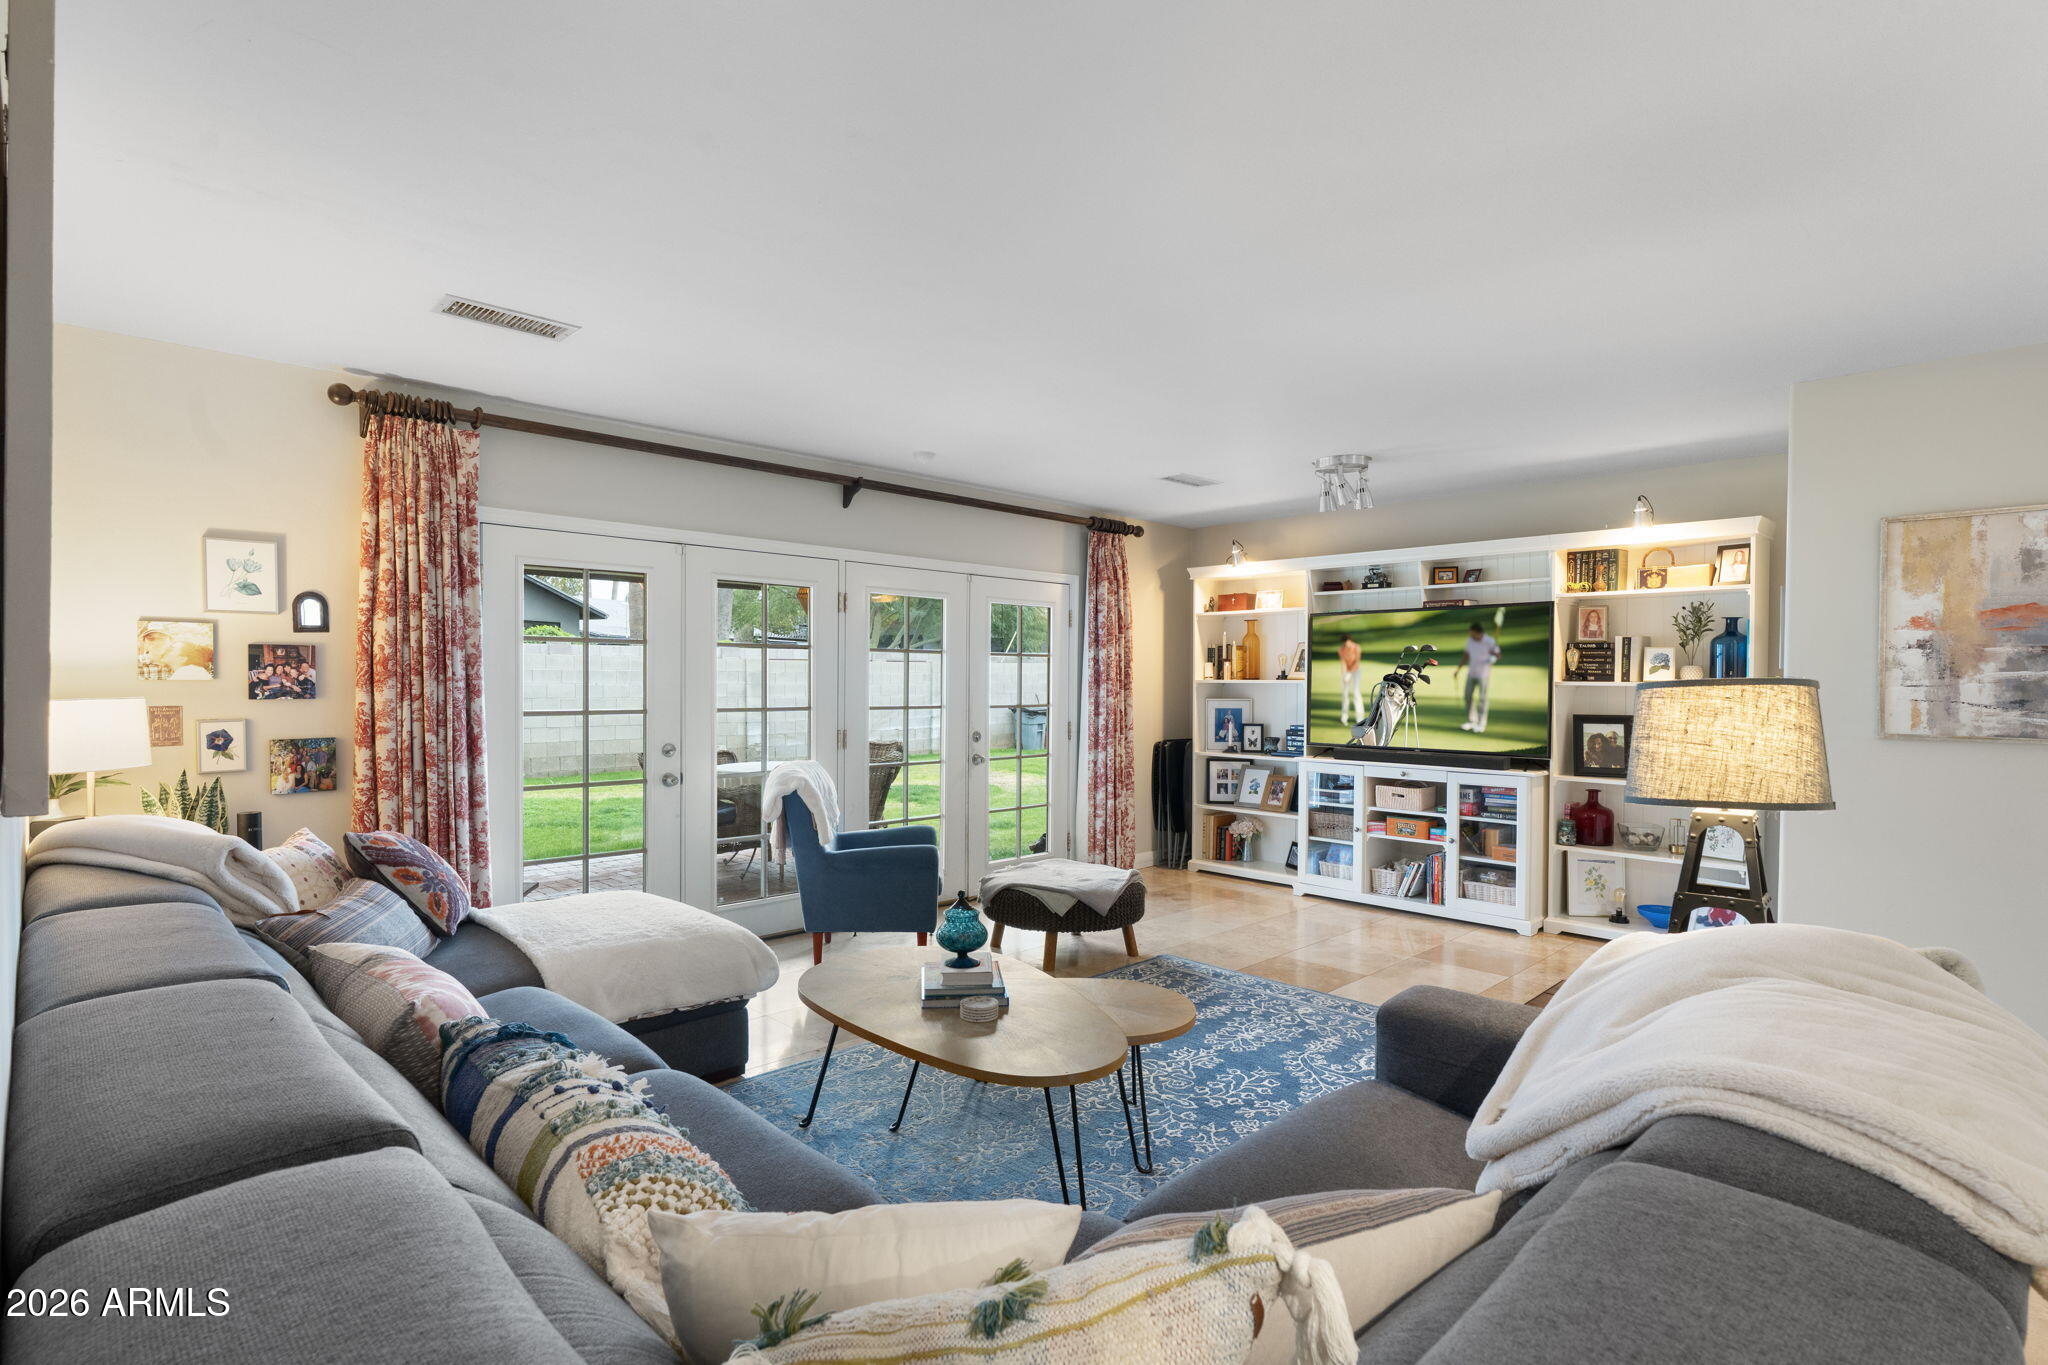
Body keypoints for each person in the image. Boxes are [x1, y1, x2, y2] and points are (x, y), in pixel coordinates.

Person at [1453, 621, 1501, 733]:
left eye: (1472, 633)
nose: (1470, 635)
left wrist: (1493, 658)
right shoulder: (1470, 640)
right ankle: (1471, 721)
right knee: (1467, 696)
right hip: (1471, 673)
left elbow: (1497, 654)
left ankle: (1481, 724)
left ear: (1478, 632)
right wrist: (1458, 670)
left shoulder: (1489, 641)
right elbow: (1466, 655)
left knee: (1482, 699)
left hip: (1483, 674)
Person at [1337, 634, 1368, 726]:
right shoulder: (1341, 649)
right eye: (1345, 643)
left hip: (1355, 671)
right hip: (1347, 671)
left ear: (1350, 641)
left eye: (1348, 643)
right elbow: (1343, 662)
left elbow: (1357, 661)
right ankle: (1344, 718)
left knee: (1356, 692)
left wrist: (1349, 673)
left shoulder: (1356, 647)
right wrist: (1344, 676)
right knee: (1345, 694)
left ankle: (1360, 718)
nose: (1346, 645)